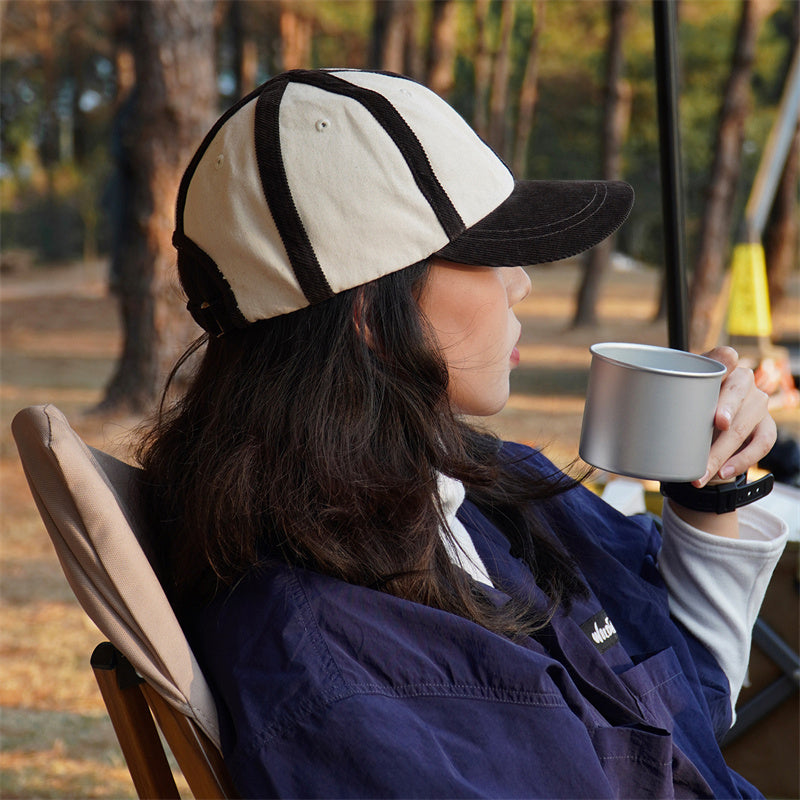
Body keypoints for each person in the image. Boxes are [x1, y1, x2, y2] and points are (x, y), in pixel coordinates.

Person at [137, 69, 788, 799]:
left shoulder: (482, 491)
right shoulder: (335, 672)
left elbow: (687, 718)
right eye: (487, 253)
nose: (522, 285)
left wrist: (712, 491)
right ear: (369, 313)